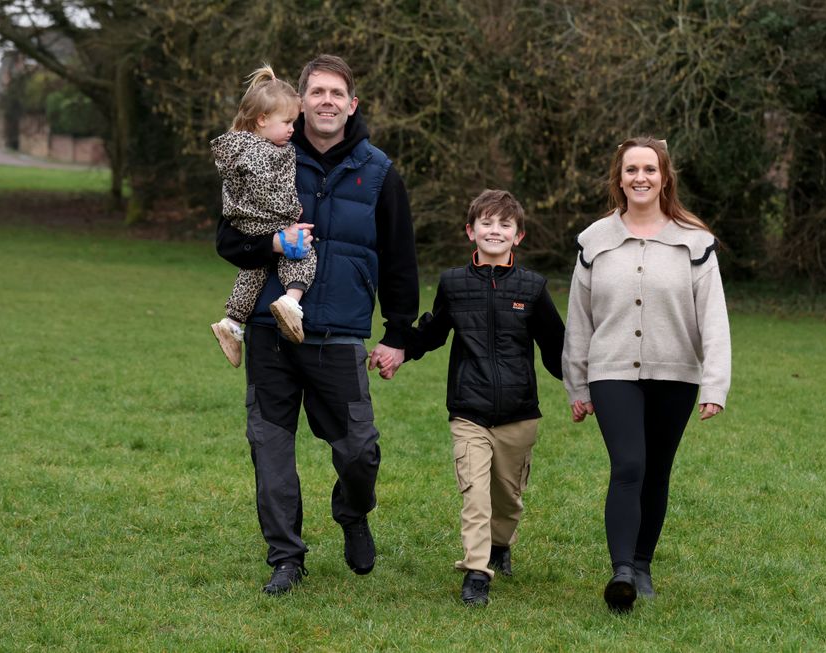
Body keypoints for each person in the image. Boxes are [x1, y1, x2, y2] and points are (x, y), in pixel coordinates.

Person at [215, 54, 419, 595]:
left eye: (337, 93)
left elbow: (399, 259)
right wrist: (274, 244)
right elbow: (228, 241)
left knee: (359, 449)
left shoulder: (378, 171)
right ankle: (286, 557)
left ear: (352, 106)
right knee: (270, 447)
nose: (327, 101)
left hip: (341, 334)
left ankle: (353, 514)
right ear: (299, 101)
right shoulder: (266, 158)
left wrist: (398, 333)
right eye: (317, 92)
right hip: (269, 329)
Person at [562, 136, 731, 613]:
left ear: (664, 178)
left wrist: (714, 384)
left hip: (676, 373)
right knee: (629, 465)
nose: (641, 177)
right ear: (619, 178)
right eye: (632, 169)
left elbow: (713, 318)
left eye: (650, 170)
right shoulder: (593, 241)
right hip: (611, 370)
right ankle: (620, 573)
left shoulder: (695, 242)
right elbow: (579, 321)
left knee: (656, 471)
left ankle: (641, 564)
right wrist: (577, 383)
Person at [396, 189, 564, 606]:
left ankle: (500, 545)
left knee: (506, 498)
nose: (495, 230)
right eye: (486, 223)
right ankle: (476, 571)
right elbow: (433, 333)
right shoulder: (453, 284)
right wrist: (400, 348)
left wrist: (583, 386)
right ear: (470, 231)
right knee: (474, 494)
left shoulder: (533, 287)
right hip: (469, 410)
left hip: (519, 413)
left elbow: (557, 348)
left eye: (504, 224)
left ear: (518, 236)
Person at [210, 64, 318, 366]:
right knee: (302, 252)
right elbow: (264, 186)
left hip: (245, 220)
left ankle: (231, 322)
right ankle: (290, 302)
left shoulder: (238, 146)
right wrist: (290, 212)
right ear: (262, 119)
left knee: (255, 269)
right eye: (287, 122)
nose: (292, 130)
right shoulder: (262, 151)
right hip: (266, 217)